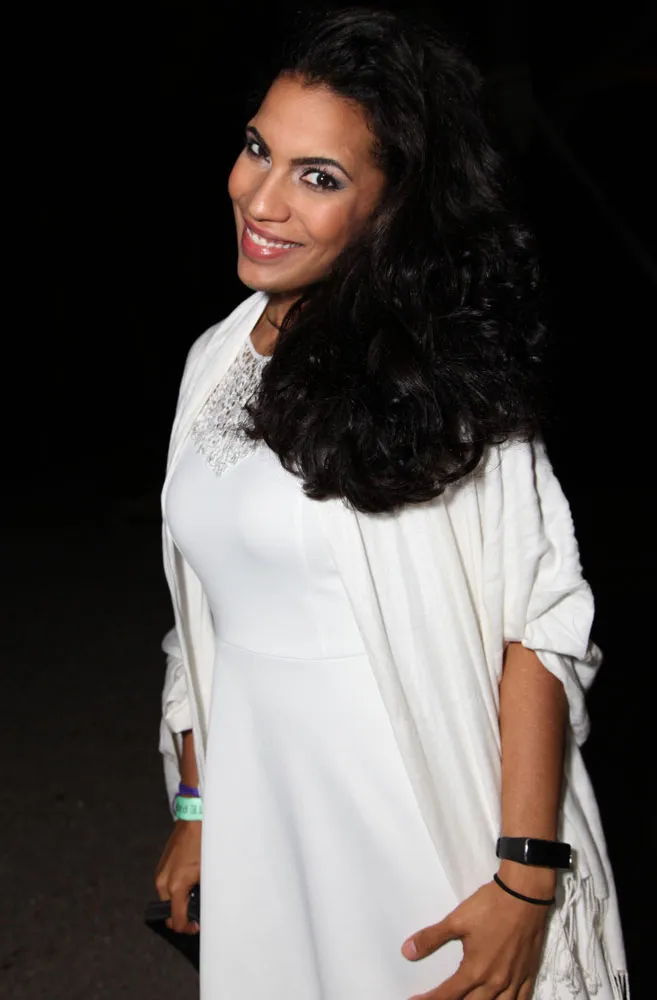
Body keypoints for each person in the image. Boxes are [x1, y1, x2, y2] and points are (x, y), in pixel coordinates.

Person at [154, 8, 628, 999]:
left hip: (424, 834)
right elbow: (199, 624)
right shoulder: (213, 360)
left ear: (392, 206)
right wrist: (198, 809)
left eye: (319, 177)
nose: (261, 198)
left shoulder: (444, 381)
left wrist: (524, 878)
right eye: (258, 149)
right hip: (265, 837)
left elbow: (538, 626)